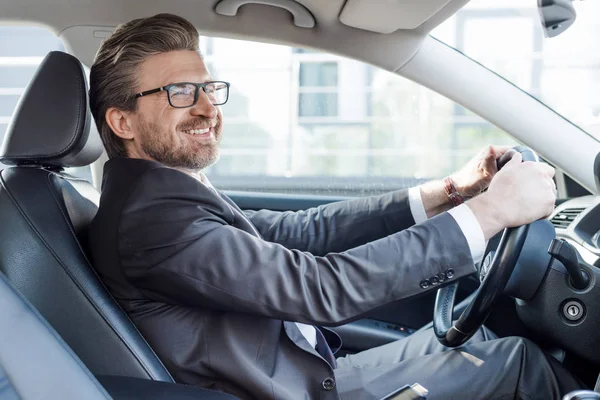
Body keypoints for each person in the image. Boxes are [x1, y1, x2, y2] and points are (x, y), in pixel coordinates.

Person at [87, 13, 582, 400]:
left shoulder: (163, 195)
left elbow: (301, 232)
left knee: (479, 342)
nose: (207, 108)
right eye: (179, 92)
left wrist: (453, 191)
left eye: (209, 89)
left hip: (302, 374)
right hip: (295, 392)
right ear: (123, 122)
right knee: (518, 363)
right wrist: (491, 213)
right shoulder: (150, 220)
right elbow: (320, 288)